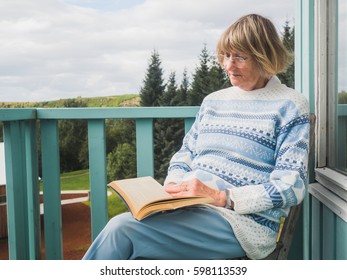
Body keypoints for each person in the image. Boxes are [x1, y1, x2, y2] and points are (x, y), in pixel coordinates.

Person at [82, 14, 310, 260]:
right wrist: (175, 185)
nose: (228, 66)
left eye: (240, 57)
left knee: (122, 231)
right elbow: (185, 154)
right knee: (134, 247)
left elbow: (291, 186)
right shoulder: (213, 101)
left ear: (265, 56)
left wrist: (223, 197)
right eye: (225, 55)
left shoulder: (290, 105)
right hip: (189, 210)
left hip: (240, 223)